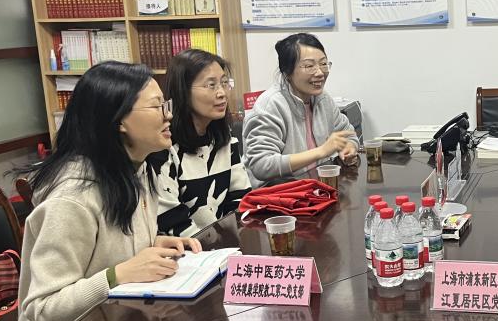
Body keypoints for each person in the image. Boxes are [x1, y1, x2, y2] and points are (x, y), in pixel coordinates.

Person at [16, 62, 200, 321]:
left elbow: (103, 252)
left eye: (165, 104)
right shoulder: (72, 197)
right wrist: (119, 275)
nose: (168, 115)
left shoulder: (137, 169)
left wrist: (151, 244)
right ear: (119, 121)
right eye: (156, 106)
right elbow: (43, 307)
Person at [150, 49, 250, 237]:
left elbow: (241, 201)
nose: (222, 93)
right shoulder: (164, 147)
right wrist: (214, 248)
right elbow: (171, 221)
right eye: (211, 85)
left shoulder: (225, 140)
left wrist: (236, 241)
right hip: (187, 249)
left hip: (226, 247)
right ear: (183, 91)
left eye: (224, 83)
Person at [243, 33, 359, 186]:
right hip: (280, 194)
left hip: (316, 189)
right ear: (287, 72)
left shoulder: (322, 99)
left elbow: (348, 134)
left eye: (323, 64)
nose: (320, 72)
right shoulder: (270, 105)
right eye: (309, 66)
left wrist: (349, 148)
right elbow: (261, 165)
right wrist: (321, 151)